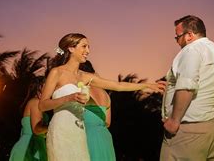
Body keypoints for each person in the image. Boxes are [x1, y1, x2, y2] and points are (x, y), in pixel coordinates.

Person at [39, 33, 165, 161]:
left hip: (79, 131)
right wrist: (68, 98)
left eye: (88, 47)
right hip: (61, 129)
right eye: (84, 46)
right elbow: (42, 105)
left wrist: (147, 85)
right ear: (71, 48)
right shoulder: (57, 72)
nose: (88, 51)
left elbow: (117, 85)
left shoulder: (86, 76)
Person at [161, 15, 214, 161]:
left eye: (177, 37)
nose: (177, 41)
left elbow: (187, 86)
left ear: (189, 35)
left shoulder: (192, 50)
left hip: (190, 132)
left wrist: (174, 121)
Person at [79, 60, 115, 161]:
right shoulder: (105, 94)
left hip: (87, 136)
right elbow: (107, 123)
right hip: (104, 138)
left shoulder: (82, 90)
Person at [9, 76, 48, 161]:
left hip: (34, 146)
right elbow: (37, 129)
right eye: (47, 85)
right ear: (39, 87)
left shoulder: (38, 104)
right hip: (29, 148)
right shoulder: (35, 102)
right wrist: (56, 127)